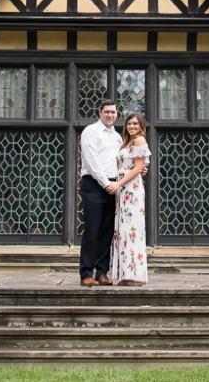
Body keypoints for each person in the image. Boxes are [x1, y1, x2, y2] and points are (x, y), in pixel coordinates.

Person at [79, 99, 121, 287]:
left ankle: (102, 272)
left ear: (116, 114)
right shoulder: (91, 132)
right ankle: (86, 273)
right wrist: (106, 183)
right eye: (107, 112)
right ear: (100, 112)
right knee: (92, 229)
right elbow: (92, 161)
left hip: (113, 186)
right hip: (94, 184)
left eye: (113, 112)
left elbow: (122, 161)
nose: (110, 115)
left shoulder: (118, 137)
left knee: (107, 231)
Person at [106, 112, 150, 286]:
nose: (132, 126)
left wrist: (118, 184)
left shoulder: (139, 140)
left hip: (132, 189)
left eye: (135, 124)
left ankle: (135, 275)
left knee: (132, 229)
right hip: (124, 190)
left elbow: (139, 167)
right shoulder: (126, 142)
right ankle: (125, 272)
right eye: (129, 124)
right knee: (123, 229)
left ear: (141, 126)